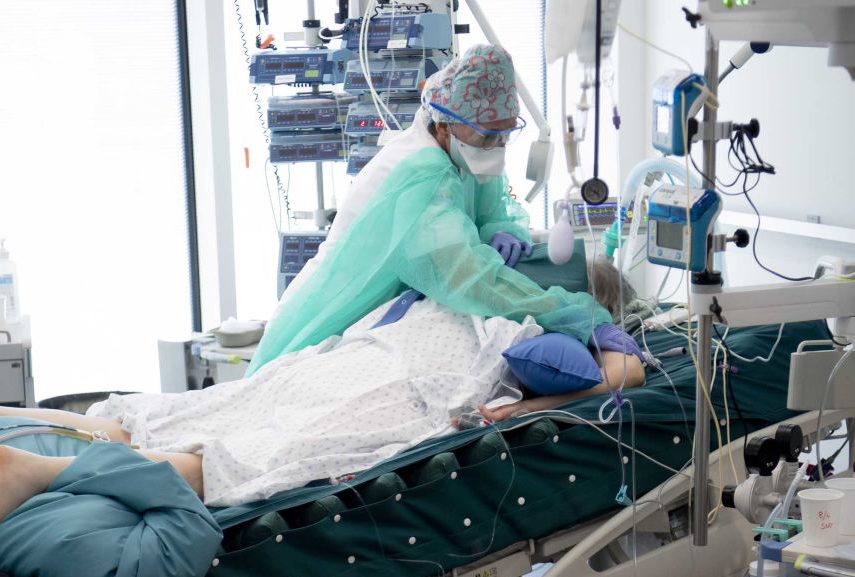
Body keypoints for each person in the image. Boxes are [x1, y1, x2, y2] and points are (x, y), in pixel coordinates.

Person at [0, 262, 641, 568]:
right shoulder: (563, 317)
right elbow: (622, 374)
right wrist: (538, 399)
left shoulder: (475, 271)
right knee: (241, 461)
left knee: (188, 412)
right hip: (400, 392)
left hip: (344, 357)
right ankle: (39, 471)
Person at [249, 44, 610, 373]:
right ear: (444, 124)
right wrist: (574, 315)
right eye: (487, 136)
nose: (497, 147)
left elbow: (494, 207)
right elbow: (469, 277)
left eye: (505, 134)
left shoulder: (462, 152)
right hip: (326, 320)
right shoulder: (420, 175)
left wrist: (505, 230)